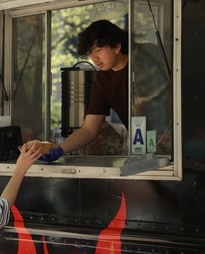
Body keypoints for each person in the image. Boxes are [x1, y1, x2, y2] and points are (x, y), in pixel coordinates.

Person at [41, 19, 172, 162]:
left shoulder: (145, 57)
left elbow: (146, 104)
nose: (94, 58)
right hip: (143, 144)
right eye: (90, 52)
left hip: (171, 137)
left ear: (116, 47)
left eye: (98, 50)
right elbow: (89, 129)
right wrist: (60, 149)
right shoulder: (102, 81)